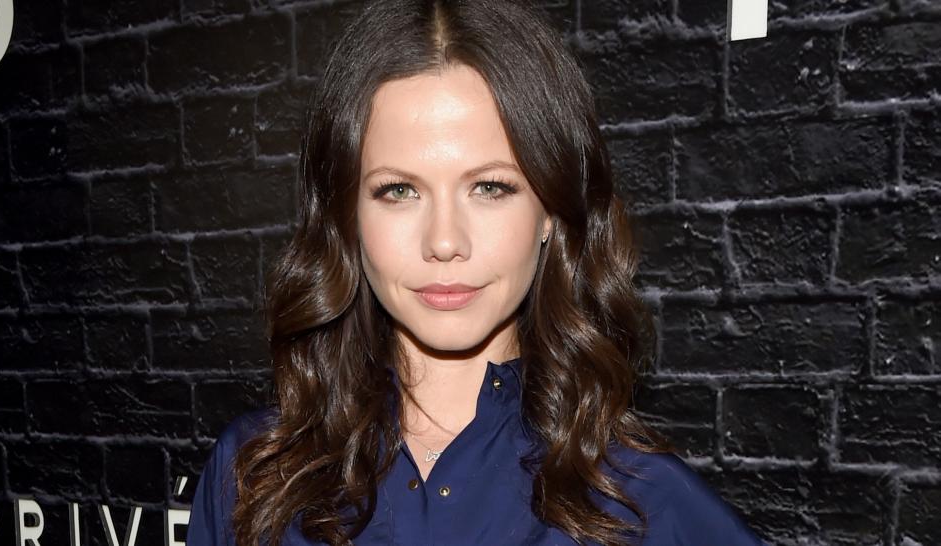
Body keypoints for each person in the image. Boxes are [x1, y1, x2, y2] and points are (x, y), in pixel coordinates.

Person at [185, 0, 768, 544]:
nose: (444, 241)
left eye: (490, 187)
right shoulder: (253, 477)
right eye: (398, 190)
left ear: (550, 211)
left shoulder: (643, 502)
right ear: (348, 217)